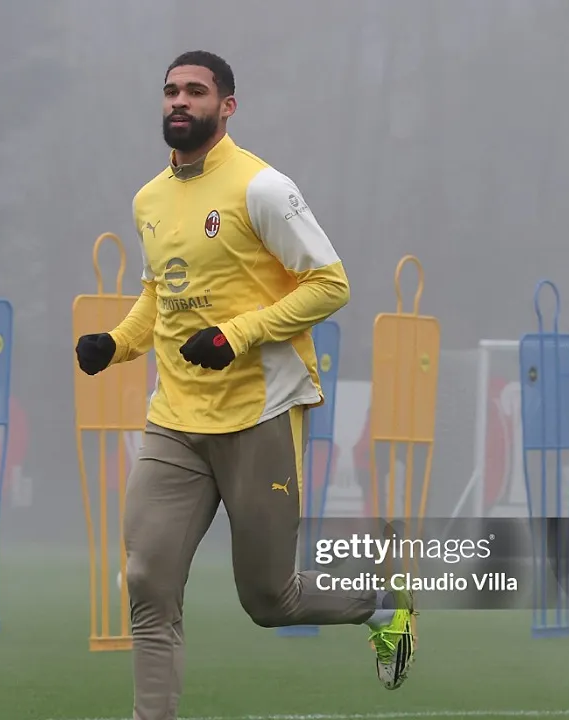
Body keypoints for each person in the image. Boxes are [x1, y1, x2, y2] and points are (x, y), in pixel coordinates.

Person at [74, 51, 416, 720]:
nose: (179, 101)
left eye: (195, 92)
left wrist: (239, 334)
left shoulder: (262, 189)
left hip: (259, 416)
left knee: (268, 600)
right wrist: (116, 343)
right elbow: (159, 295)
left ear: (226, 106)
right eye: (171, 90)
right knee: (147, 583)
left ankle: (381, 604)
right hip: (173, 422)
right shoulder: (150, 199)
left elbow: (331, 285)